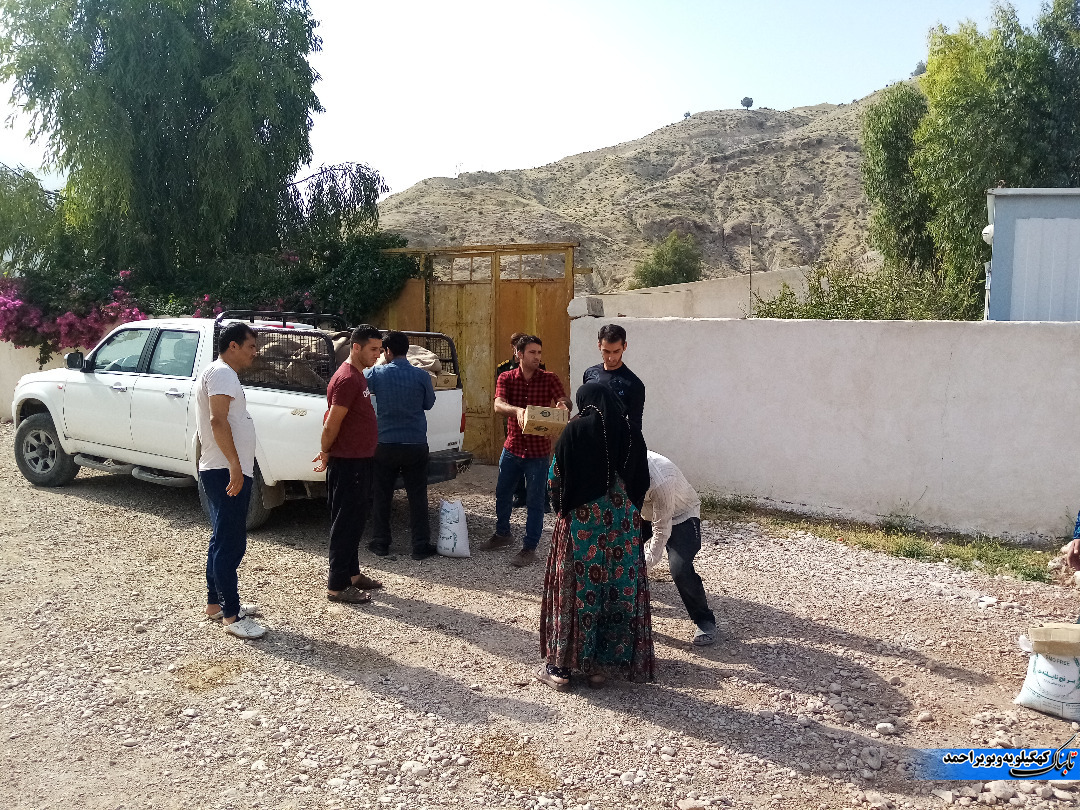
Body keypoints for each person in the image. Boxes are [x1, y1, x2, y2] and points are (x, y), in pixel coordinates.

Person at [537, 383, 654, 689]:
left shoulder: (575, 430)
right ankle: (598, 667)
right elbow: (643, 480)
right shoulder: (632, 434)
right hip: (622, 529)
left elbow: (555, 480)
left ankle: (560, 669)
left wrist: (561, 509)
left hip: (581, 527)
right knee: (614, 590)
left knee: (574, 591)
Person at [196, 321, 266, 639]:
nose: (255, 352)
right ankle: (232, 615)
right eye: (251, 346)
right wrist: (235, 465)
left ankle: (216, 603)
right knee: (230, 543)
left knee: (221, 538)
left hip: (222, 468)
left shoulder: (222, 373)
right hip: (224, 469)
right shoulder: (222, 373)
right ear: (233, 346)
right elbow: (217, 420)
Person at [482, 334, 571, 567]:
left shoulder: (549, 378)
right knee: (503, 493)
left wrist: (563, 405)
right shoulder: (506, 377)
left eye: (539, 352)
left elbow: (564, 399)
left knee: (535, 501)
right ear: (519, 354)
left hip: (538, 452)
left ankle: (529, 547)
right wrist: (518, 410)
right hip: (512, 447)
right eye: (532, 352)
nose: (537, 357)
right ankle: (502, 533)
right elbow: (498, 404)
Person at [313, 324, 386, 603]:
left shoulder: (358, 376)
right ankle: (337, 585)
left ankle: (352, 574)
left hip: (360, 460)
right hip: (349, 463)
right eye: (373, 349)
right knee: (345, 523)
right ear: (356, 347)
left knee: (356, 521)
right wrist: (325, 451)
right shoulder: (346, 379)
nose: (378, 355)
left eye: (380, 349)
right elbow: (332, 423)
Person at [364, 330, 438, 560]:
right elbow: (429, 404)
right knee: (417, 496)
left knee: (382, 495)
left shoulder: (376, 373)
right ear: (407, 350)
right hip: (415, 444)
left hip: (385, 444)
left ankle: (380, 543)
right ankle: (420, 546)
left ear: (387, 351)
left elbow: (361, 386)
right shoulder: (422, 376)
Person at [642, 451, 716, 646]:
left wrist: (645, 565)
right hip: (645, 514)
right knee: (621, 552)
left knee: (680, 568)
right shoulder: (618, 465)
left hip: (681, 515)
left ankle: (704, 620)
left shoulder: (661, 477)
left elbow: (661, 529)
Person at [496, 332, 546, 508]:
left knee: (536, 463)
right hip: (512, 420)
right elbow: (500, 398)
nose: (535, 356)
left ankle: (541, 497)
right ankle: (519, 493)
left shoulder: (540, 369)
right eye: (516, 345)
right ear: (515, 349)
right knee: (514, 456)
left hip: (535, 421)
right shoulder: (504, 369)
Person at [582, 323, 646, 435]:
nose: (611, 358)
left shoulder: (634, 384)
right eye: (606, 351)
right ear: (599, 346)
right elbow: (585, 411)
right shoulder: (590, 373)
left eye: (616, 351)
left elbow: (635, 428)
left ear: (624, 346)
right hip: (585, 439)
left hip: (613, 441)